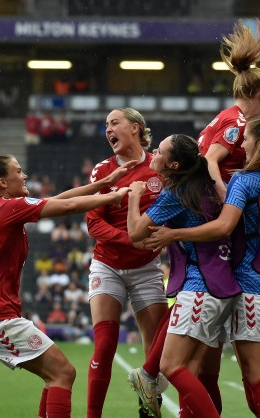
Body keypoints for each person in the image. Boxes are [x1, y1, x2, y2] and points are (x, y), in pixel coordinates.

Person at [144, 115, 260, 418]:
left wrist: (175, 233)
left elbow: (224, 227)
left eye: (247, 138)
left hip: (254, 286)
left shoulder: (245, 180)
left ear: (259, 143)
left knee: (257, 375)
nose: (242, 143)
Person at [0, 150, 131, 418]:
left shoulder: (2, 208)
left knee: (57, 375)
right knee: (63, 373)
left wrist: (101, 184)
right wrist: (115, 196)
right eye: (18, 171)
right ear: (3, 182)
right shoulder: (8, 208)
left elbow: (55, 200)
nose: (24, 175)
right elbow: (65, 207)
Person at [127, 134, 240, 417]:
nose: (154, 151)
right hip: (224, 286)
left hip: (200, 287)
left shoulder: (175, 193)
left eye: (160, 150)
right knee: (198, 372)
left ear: (174, 164)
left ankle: (147, 377)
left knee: (172, 367)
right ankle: (148, 378)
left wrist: (134, 198)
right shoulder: (208, 188)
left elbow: (135, 234)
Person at [86, 108, 169, 418]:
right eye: (106, 124)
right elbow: (93, 224)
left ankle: (148, 411)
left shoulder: (159, 168)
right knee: (105, 345)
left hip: (147, 268)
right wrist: (130, 240)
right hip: (107, 265)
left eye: (114, 122)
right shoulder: (102, 171)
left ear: (135, 128)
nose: (108, 128)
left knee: (157, 351)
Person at [197, 19, 260, 200]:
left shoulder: (230, 115)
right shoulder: (236, 122)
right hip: (209, 197)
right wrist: (225, 197)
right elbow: (210, 159)